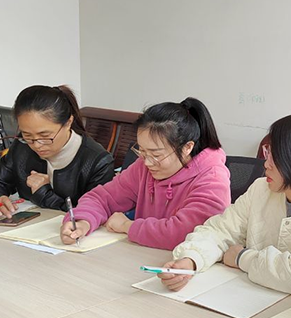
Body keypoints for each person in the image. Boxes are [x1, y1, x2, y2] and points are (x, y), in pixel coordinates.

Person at [160, 113, 291, 295]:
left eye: (274, 156)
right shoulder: (261, 189)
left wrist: (242, 258)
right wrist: (191, 260)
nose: (266, 163)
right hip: (259, 298)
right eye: (268, 152)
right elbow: (220, 230)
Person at [59, 97, 230, 251]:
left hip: (183, 265)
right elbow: (103, 198)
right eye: (142, 151)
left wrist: (127, 226)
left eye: (156, 155)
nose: (147, 162)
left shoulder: (212, 178)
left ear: (187, 147)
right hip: (142, 255)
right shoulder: (143, 167)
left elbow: (185, 233)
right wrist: (83, 221)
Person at [0, 85, 114, 216]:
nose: (36, 145)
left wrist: (44, 194)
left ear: (68, 123)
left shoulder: (98, 162)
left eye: (45, 136)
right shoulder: (22, 146)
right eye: (27, 136)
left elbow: (93, 212)